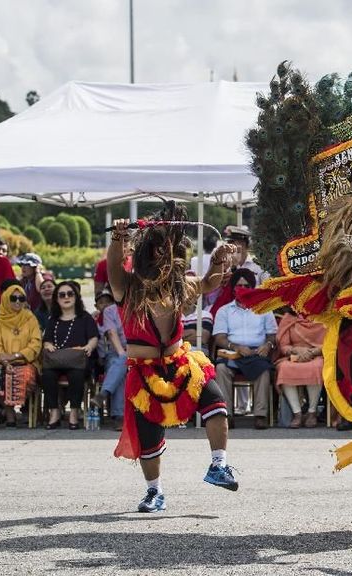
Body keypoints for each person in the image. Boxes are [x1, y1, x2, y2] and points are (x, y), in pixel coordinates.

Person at [108, 203, 239, 513]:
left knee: (215, 401)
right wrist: (118, 238)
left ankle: (218, 465)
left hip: (181, 364)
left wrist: (219, 260)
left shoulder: (180, 286)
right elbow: (114, 266)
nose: (161, 260)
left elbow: (208, 283)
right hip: (143, 374)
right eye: (156, 252)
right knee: (149, 438)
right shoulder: (127, 288)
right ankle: (154, 491)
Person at [213, 268, 278, 429]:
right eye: (239, 285)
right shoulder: (224, 311)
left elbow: (272, 335)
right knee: (220, 368)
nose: (242, 288)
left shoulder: (264, 308)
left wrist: (268, 345)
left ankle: (260, 415)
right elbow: (219, 337)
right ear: (233, 288)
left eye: (247, 285)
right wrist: (236, 347)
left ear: (253, 287)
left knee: (263, 370)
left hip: (256, 352)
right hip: (233, 353)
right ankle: (226, 414)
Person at [41, 280, 99, 430]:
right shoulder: (53, 320)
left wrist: (89, 346)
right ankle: (54, 412)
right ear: (57, 299)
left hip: (78, 360)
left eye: (70, 294)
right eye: (62, 295)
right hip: (56, 360)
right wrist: (48, 345)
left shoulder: (85, 317)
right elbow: (46, 340)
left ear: (76, 297)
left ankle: (74, 412)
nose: (66, 297)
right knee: (47, 374)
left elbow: (94, 337)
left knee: (76, 375)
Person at [0, 283, 42, 427]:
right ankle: (10, 413)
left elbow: (36, 343)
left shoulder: (30, 318)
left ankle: (18, 412)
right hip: (2, 361)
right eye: (13, 298)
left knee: (23, 375)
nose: (17, 301)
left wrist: (16, 356)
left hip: (26, 361)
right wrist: (5, 361)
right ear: (6, 299)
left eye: (21, 298)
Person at [274, 310, 325, 429]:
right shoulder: (289, 318)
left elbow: (329, 342)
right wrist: (296, 350)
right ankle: (297, 413)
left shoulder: (323, 316)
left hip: (317, 354)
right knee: (284, 368)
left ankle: (312, 412)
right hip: (294, 355)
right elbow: (284, 346)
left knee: (316, 367)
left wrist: (313, 352)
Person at [93, 289, 127, 430]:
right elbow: (112, 333)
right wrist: (122, 354)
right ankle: (120, 416)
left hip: (138, 350)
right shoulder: (110, 311)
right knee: (119, 364)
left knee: (119, 365)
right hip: (116, 351)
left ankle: (104, 393)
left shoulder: (139, 307)